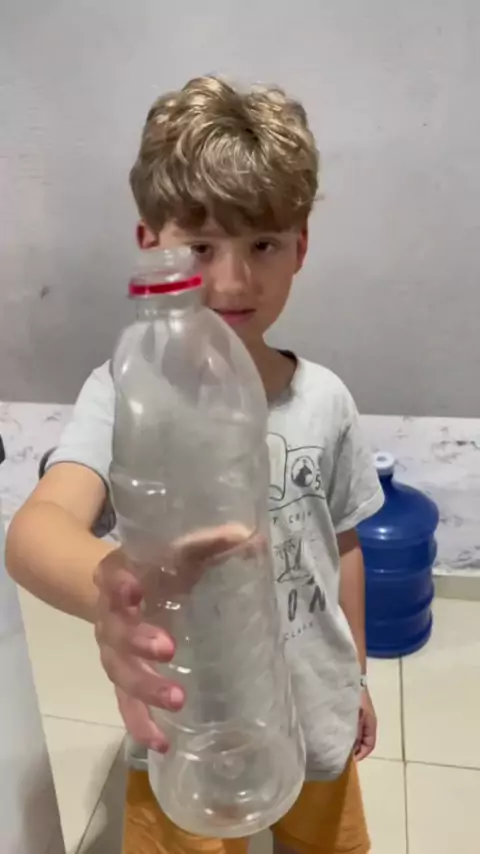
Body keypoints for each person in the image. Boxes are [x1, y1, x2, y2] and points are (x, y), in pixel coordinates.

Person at [6, 76, 384, 854]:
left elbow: (342, 546)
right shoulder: (126, 394)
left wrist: (357, 679)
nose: (234, 281)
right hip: (188, 729)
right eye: (202, 247)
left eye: (263, 244)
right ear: (152, 244)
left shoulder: (327, 400)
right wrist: (111, 589)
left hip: (314, 716)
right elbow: (36, 531)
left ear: (301, 247)